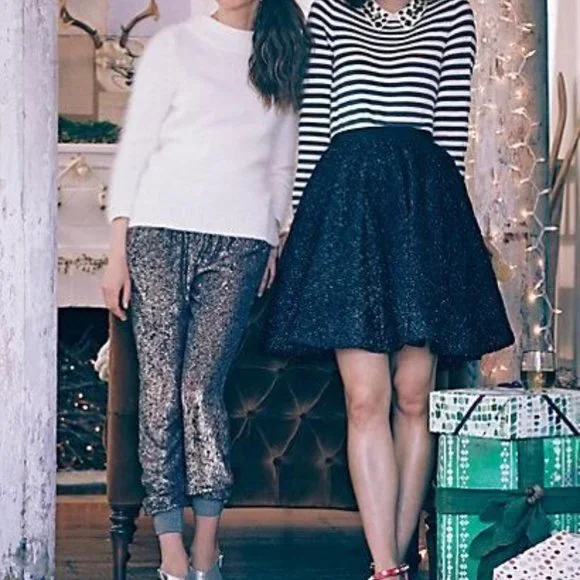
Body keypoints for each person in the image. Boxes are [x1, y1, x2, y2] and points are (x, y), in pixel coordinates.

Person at [266, 0, 515, 578]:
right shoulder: (329, 13)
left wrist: (452, 234)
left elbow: (450, 135)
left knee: (413, 396)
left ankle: (395, 562)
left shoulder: (452, 15)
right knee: (365, 398)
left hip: (421, 209)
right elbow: (314, 130)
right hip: (347, 210)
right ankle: (385, 566)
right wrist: (298, 226)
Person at [101, 1, 309, 578]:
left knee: (199, 389)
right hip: (157, 231)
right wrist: (117, 252)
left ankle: (205, 549)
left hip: (240, 240)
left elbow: (283, 160)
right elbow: (136, 149)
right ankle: (171, 551)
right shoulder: (174, 45)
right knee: (160, 391)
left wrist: (273, 235)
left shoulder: (282, 49)